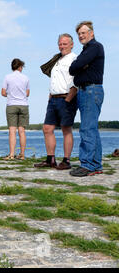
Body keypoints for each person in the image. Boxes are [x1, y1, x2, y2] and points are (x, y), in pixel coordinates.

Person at [34, 34, 78, 170]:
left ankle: (66, 160)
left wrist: (68, 99)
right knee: (47, 128)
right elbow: (55, 80)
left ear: (71, 44)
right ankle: (50, 159)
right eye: (60, 44)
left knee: (66, 129)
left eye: (65, 44)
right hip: (53, 98)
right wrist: (50, 96)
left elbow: (75, 81)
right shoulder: (57, 59)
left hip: (66, 98)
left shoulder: (74, 59)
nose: (62, 46)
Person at [69, 21, 105, 177]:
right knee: (92, 129)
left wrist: (79, 65)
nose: (81, 36)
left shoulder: (95, 47)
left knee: (87, 129)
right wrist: (78, 65)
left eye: (84, 32)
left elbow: (76, 66)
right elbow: (73, 69)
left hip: (91, 90)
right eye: (79, 34)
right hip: (87, 91)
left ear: (92, 33)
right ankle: (95, 164)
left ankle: (88, 165)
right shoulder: (86, 50)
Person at [2, 58, 30, 160]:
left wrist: (10, 94)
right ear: (20, 67)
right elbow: (27, 93)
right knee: (22, 131)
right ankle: (22, 154)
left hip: (11, 105)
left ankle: (12, 154)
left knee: (12, 131)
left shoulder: (7, 77)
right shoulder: (26, 78)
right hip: (23, 105)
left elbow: (3, 92)